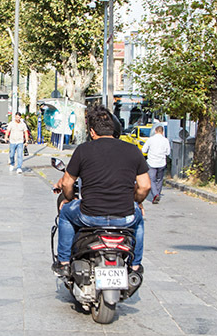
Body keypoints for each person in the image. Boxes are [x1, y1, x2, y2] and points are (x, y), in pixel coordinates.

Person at [53, 106, 150, 276]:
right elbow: (145, 186)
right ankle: (135, 266)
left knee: (66, 214)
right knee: (139, 219)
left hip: (89, 216)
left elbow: (67, 183)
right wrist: (137, 201)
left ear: (92, 131)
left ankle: (64, 262)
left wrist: (68, 199)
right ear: (113, 129)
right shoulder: (133, 150)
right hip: (124, 218)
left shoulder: (83, 150)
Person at [144, 124, 170, 204]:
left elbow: (144, 150)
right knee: (159, 179)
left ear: (155, 131)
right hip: (161, 162)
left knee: (152, 179)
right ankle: (157, 193)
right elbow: (168, 153)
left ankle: (155, 194)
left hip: (152, 162)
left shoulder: (150, 140)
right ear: (162, 132)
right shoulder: (165, 140)